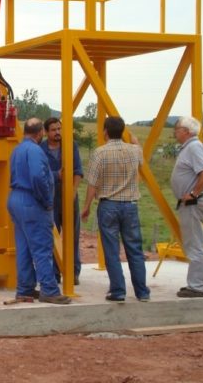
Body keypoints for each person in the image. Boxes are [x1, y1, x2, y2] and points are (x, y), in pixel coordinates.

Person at [81, 116, 150, 302]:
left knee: (111, 250)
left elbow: (92, 184)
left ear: (105, 131)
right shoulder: (135, 151)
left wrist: (86, 206)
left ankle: (118, 290)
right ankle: (142, 292)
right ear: (122, 131)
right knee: (134, 249)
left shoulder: (100, 153)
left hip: (108, 204)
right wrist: (134, 141)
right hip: (130, 205)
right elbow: (139, 154)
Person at [7, 118, 71, 305]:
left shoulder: (18, 150)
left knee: (25, 248)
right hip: (32, 202)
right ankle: (49, 290)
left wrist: (51, 175)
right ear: (40, 133)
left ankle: (25, 289)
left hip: (16, 199)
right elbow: (36, 176)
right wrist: (46, 200)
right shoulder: (36, 150)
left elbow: (25, 174)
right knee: (42, 248)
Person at [171, 116, 203, 298]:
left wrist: (194, 193)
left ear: (187, 131)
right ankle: (197, 283)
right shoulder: (190, 148)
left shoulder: (194, 147)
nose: (175, 131)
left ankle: (197, 286)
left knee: (195, 245)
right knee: (194, 243)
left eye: (178, 128)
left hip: (193, 204)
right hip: (190, 203)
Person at [40, 117, 84, 285]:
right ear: (46, 132)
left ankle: (73, 272)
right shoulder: (41, 149)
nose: (57, 132)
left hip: (69, 196)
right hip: (50, 197)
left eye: (59, 129)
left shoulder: (70, 146)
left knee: (72, 235)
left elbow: (77, 171)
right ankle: (55, 272)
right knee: (52, 235)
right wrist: (56, 174)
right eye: (53, 130)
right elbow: (41, 174)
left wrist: (72, 193)